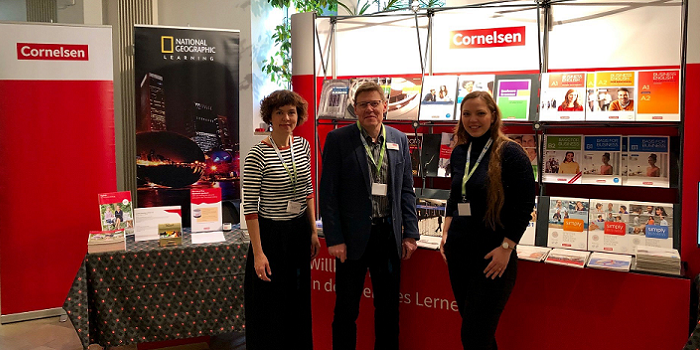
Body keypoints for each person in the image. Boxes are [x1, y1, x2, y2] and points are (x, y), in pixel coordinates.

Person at [320, 82, 419, 350]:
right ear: (355, 109)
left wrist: (410, 233)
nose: (370, 109)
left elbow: (406, 191)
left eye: (375, 103)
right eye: (363, 104)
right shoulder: (338, 140)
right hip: (351, 241)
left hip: (388, 238)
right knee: (346, 310)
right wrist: (334, 238)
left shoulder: (399, 139)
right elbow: (327, 194)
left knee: (388, 310)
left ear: (385, 107)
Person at [439, 91, 536, 350]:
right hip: (459, 254)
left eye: (480, 113)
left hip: (493, 256)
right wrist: (446, 232)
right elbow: (456, 193)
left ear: (493, 116)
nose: (473, 119)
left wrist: (507, 248)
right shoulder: (460, 151)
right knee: (477, 334)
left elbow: (525, 205)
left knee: (474, 335)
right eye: (467, 113)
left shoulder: (511, 153)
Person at [242, 90, 320, 350]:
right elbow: (251, 207)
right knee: (270, 305)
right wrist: (258, 253)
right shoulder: (257, 155)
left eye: (291, 112)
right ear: (270, 117)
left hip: (298, 231)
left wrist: (312, 231)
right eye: (279, 112)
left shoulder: (303, 146)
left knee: (298, 301)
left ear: (299, 116)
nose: (286, 118)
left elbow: (308, 190)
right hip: (270, 236)